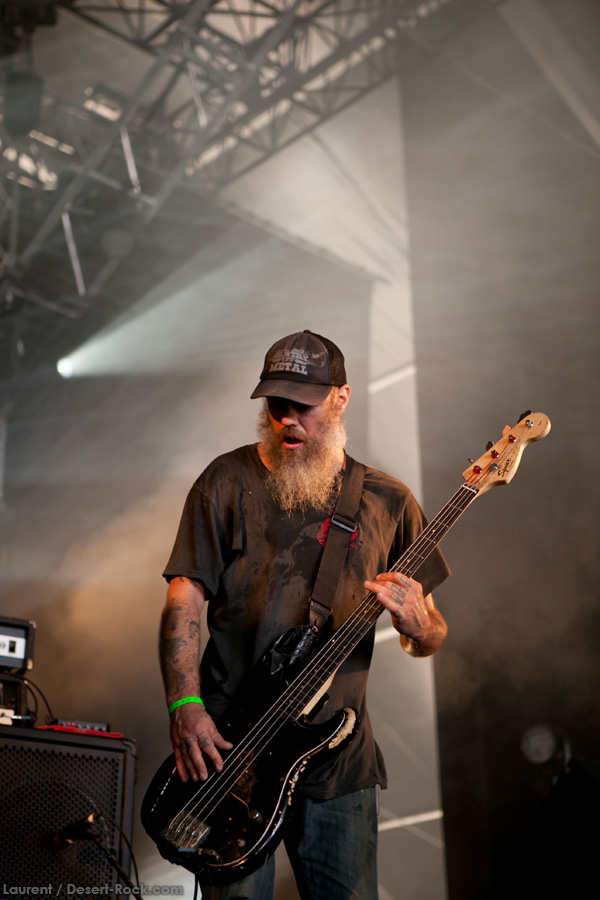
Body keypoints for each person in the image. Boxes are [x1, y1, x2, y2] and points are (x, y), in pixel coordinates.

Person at [159, 330, 450, 900]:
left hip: (338, 765)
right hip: (232, 751)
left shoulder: (388, 502)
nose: (288, 419)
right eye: (276, 404)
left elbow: (431, 634)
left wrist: (418, 625)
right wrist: (184, 704)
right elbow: (183, 599)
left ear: (341, 399)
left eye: (304, 405)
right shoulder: (226, 481)